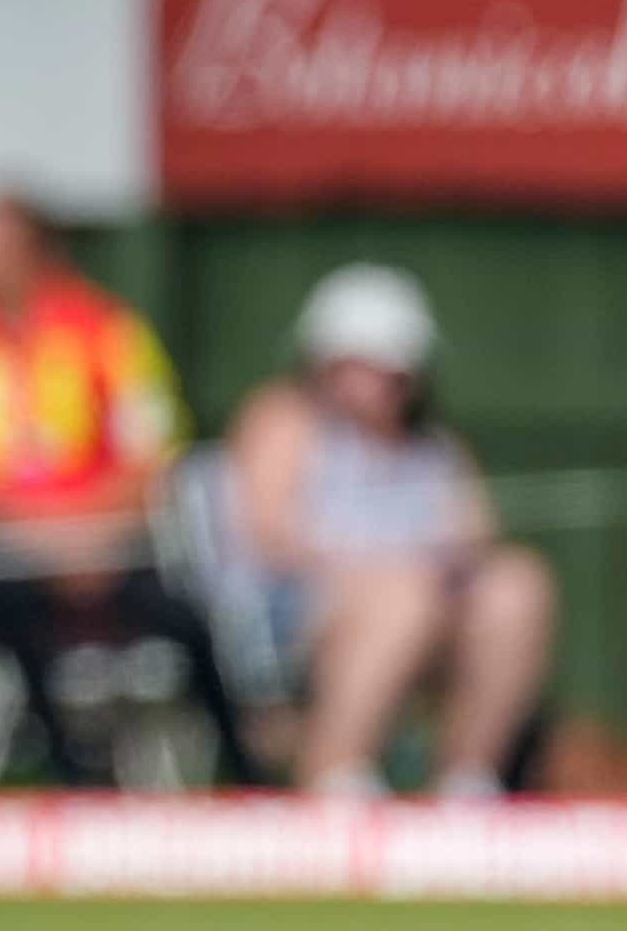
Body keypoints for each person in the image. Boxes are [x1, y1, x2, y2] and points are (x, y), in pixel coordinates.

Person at [0, 189, 257, 785]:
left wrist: (86, 534)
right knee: (13, 609)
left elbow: (152, 458)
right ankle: (74, 780)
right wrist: (29, 534)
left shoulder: (108, 331)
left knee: (185, 622)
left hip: (104, 546)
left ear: (38, 250)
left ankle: (250, 779)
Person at [225, 264, 555, 799]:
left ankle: (467, 782)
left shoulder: (434, 447)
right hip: (298, 618)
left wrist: (451, 554)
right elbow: (270, 534)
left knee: (517, 585)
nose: (380, 383)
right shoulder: (285, 420)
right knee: (404, 595)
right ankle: (332, 771)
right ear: (324, 362)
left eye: (393, 370)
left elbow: (478, 534)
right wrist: (379, 567)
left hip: (429, 613)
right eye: (363, 366)